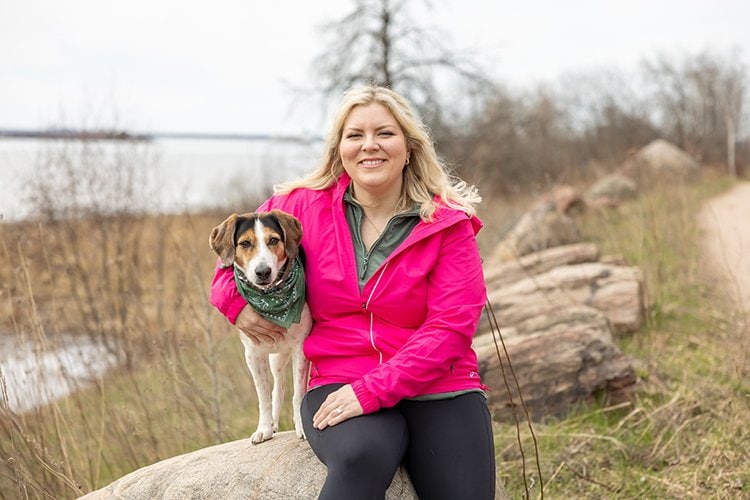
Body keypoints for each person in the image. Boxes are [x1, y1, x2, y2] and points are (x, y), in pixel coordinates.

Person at [210, 85, 495, 499]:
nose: (369, 146)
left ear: (409, 146)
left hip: (438, 384)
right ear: (339, 147)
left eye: (384, 133)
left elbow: (451, 328)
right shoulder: (301, 206)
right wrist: (234, 304)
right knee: (362, 454)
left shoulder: (448, 223)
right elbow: (234, 254)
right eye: (355, 135)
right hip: (338, 376)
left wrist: (373, 390)